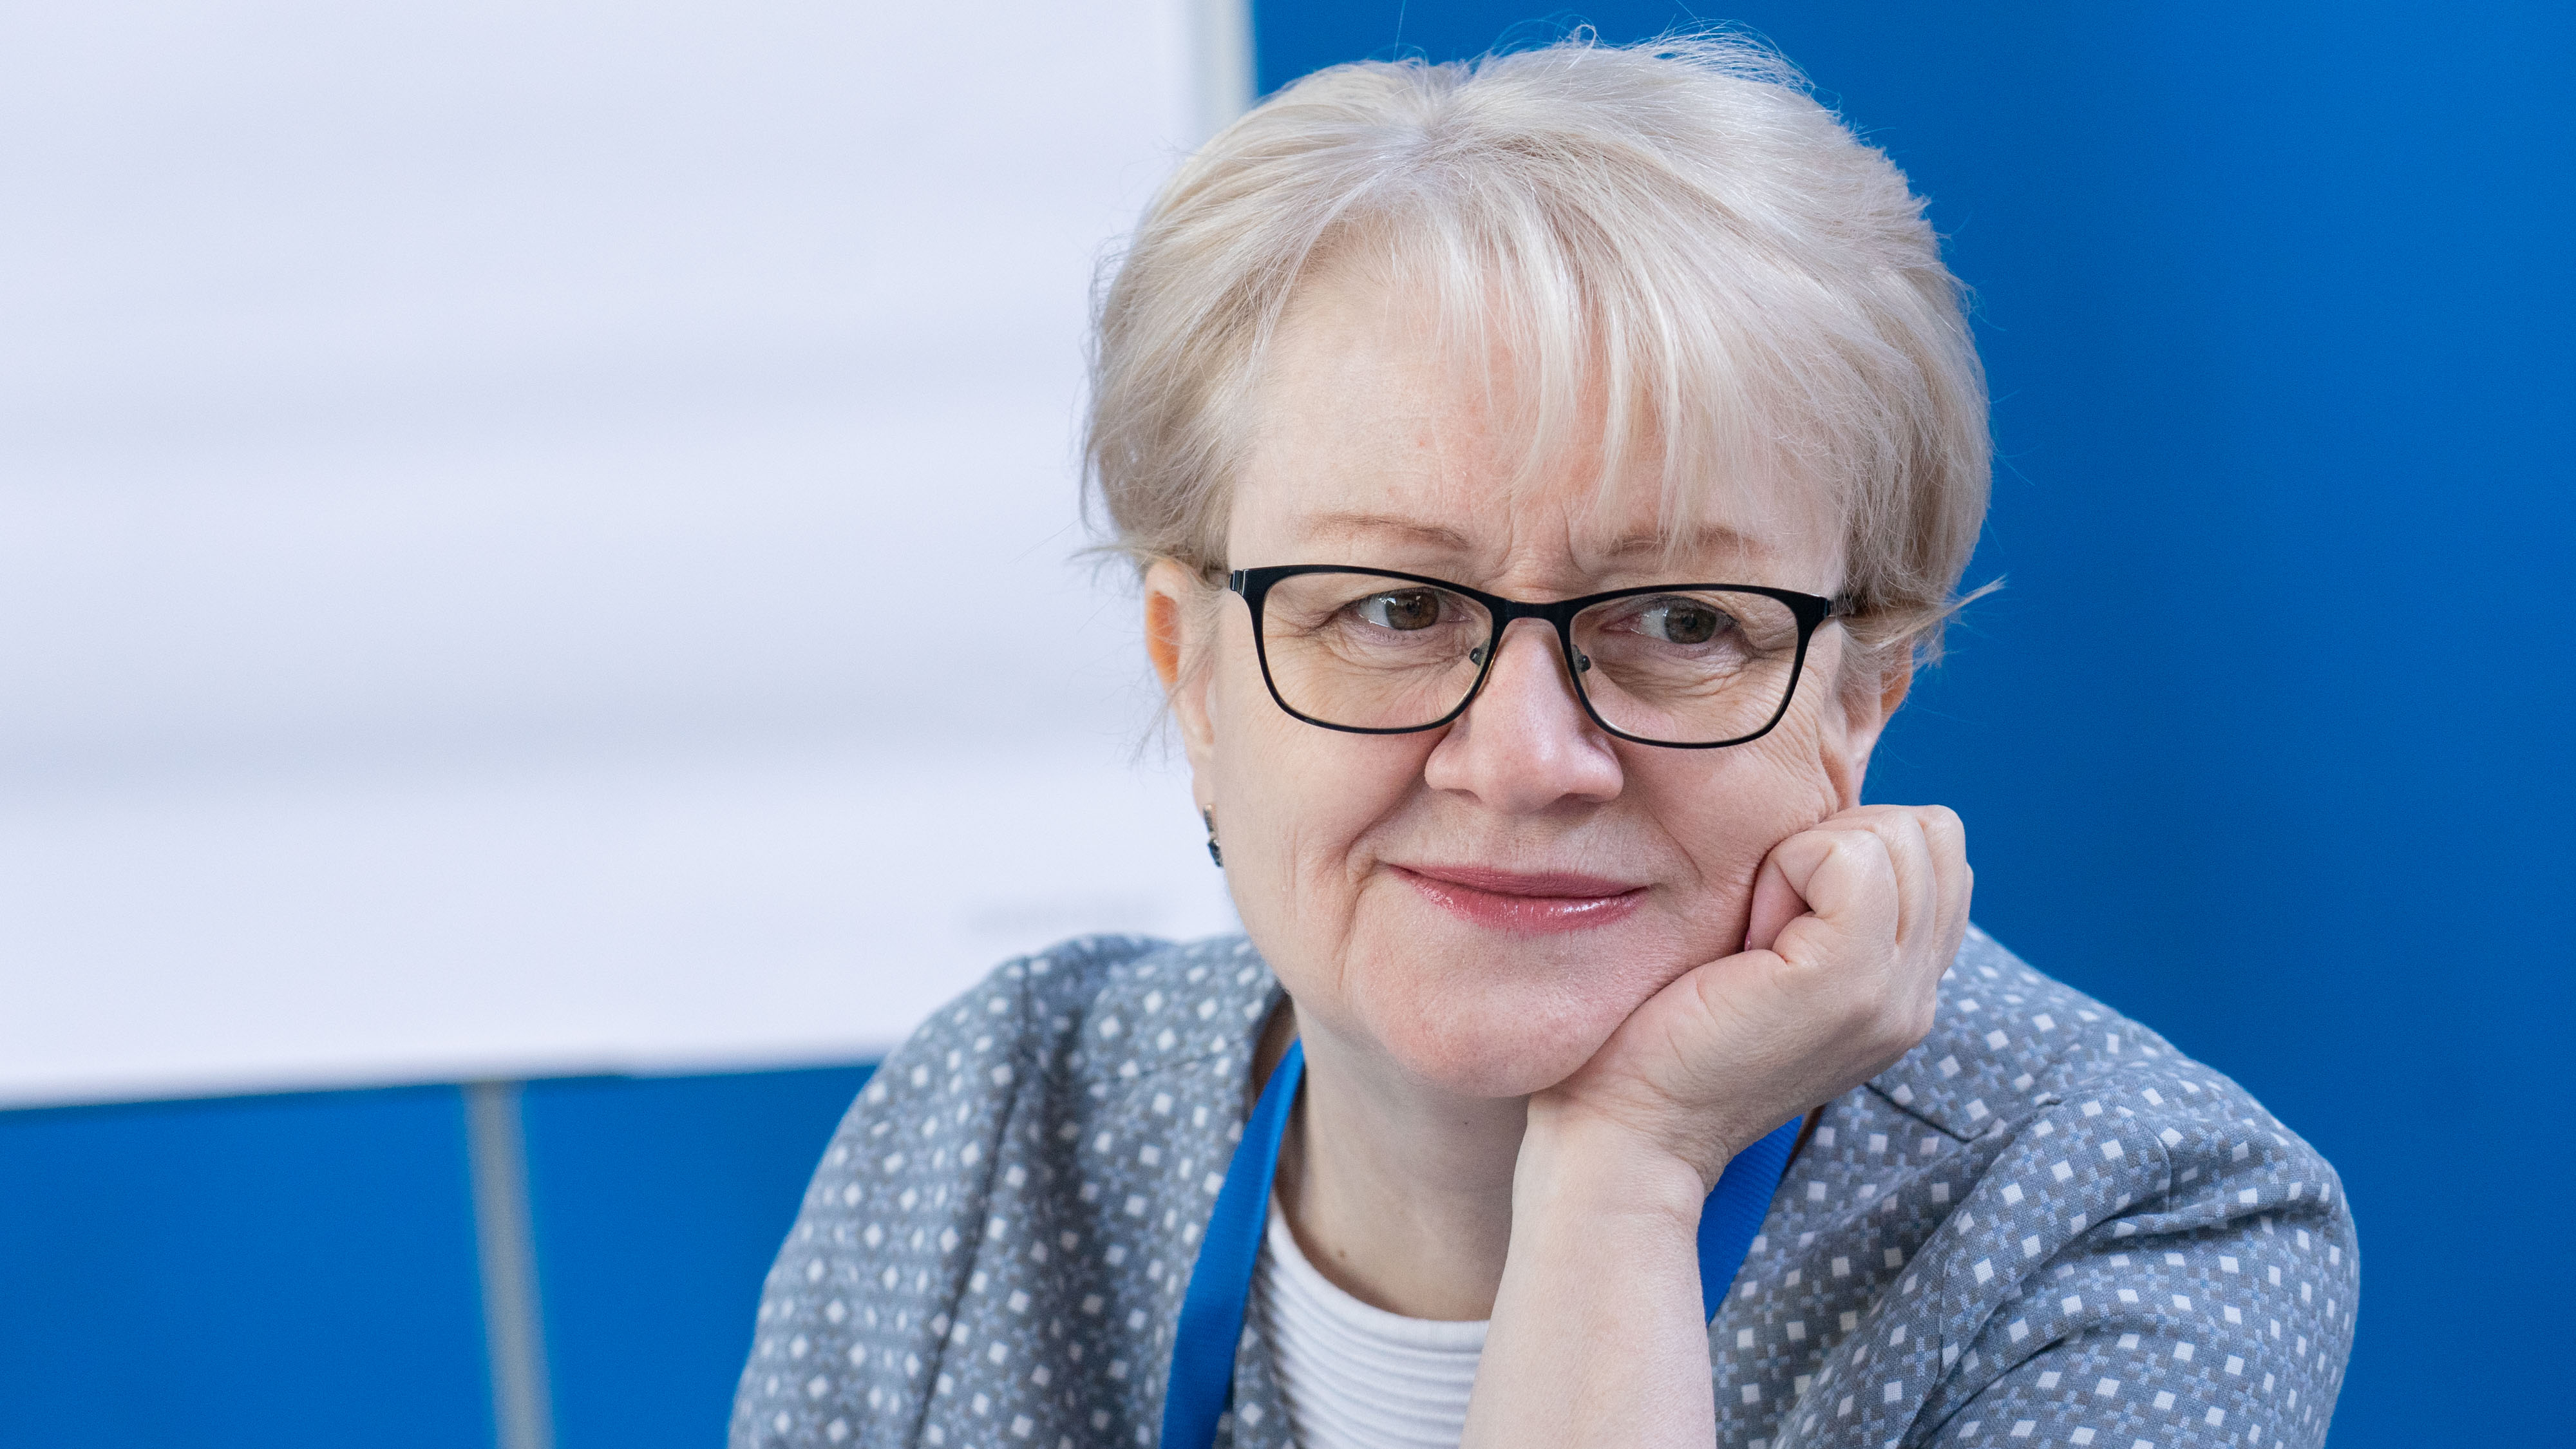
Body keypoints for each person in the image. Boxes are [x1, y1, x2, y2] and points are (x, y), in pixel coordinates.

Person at [731, 35, 2355, 1449]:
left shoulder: (2126, 1220)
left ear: (1860, 698)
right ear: (1193, 676)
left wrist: (1624, 1178)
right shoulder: (991, 1134)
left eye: (1682, 621)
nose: (1520, 759)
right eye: (1389, 608)